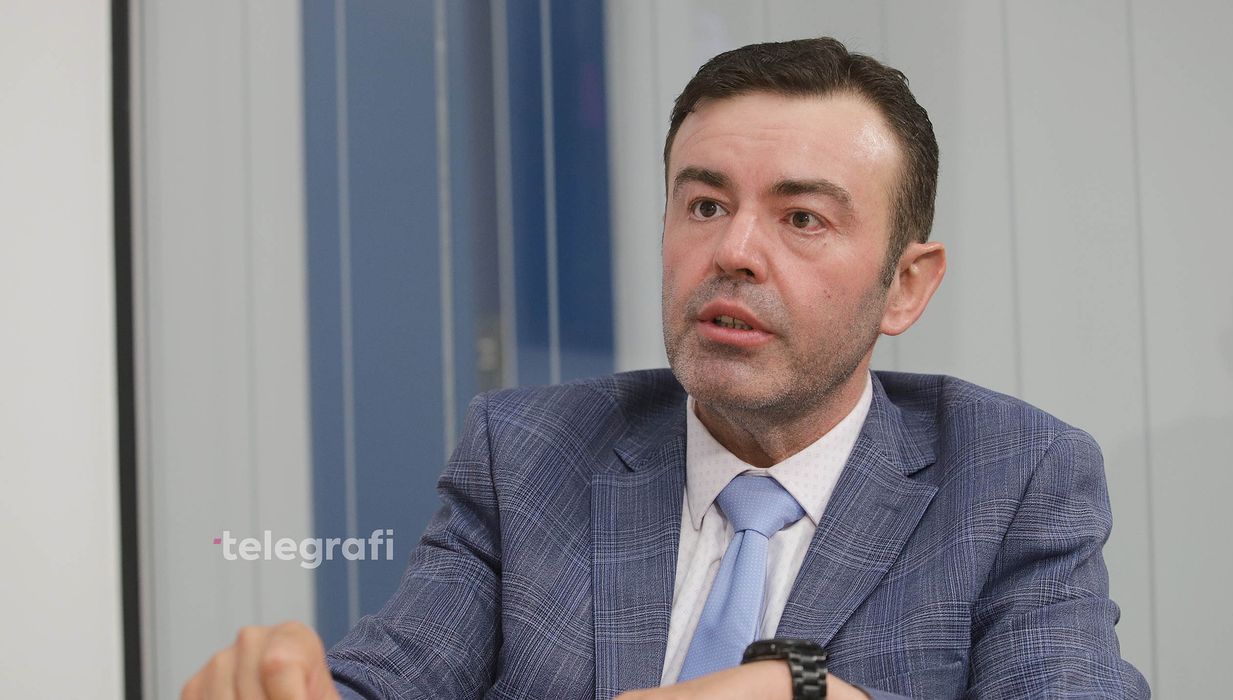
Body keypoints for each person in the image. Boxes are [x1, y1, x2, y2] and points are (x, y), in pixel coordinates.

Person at [182, 37, 1149, 699]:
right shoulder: (528, 454)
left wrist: (815, 693)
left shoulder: (1010, 476)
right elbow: (394, 681)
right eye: (703, 205)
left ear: (904, 285)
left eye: (801, 218)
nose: (733, 252)